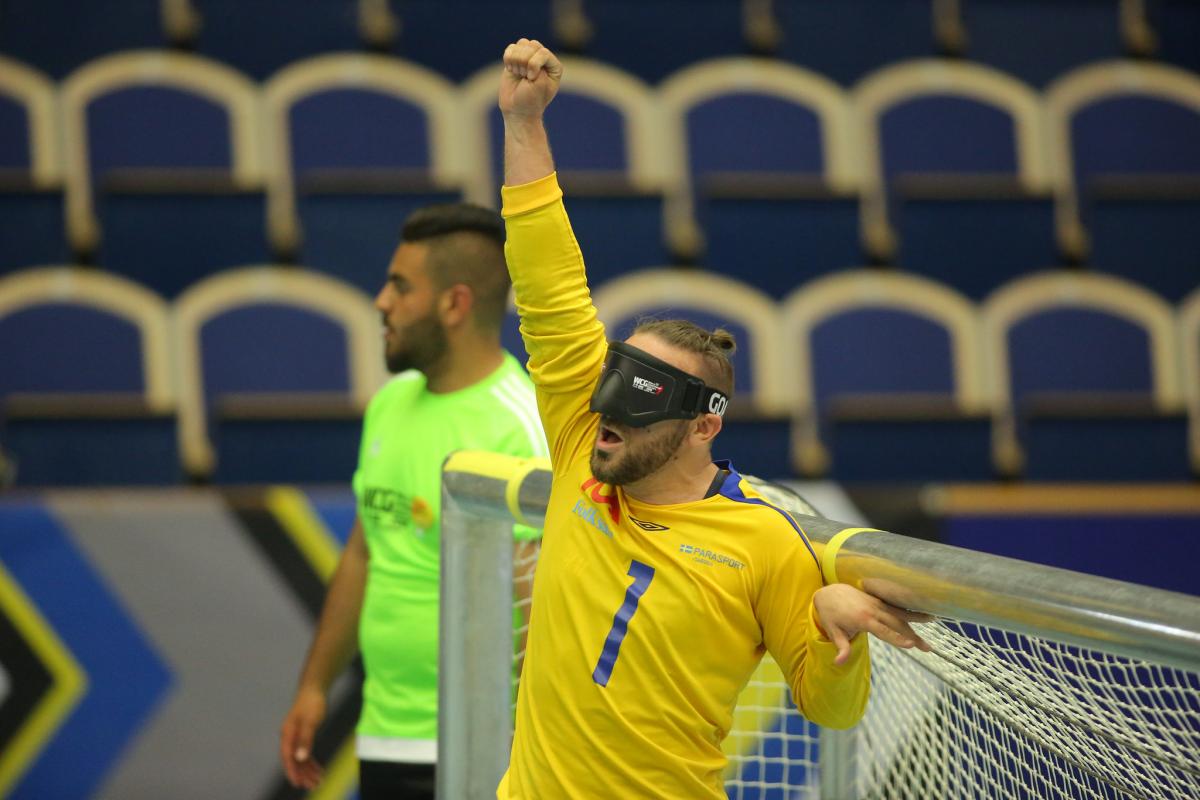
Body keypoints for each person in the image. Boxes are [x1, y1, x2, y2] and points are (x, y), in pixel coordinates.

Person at [496, 38, 932, 798]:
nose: (606, 410)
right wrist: (524, 123)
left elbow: (833, 711)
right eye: (611, 378)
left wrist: (839, 631)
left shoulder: (763, 539)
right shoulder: (579, 444)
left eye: (645, 395)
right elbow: (549, 286)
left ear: (705, 425)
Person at [278, 204, 546, 799]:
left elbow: (542, 603)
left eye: (400, 286)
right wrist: (315, 686)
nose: (381, 301)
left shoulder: (520, 426)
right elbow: (364, 554)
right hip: (385, 736)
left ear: (454, 304)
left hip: (485, 748)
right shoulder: (389, 403)